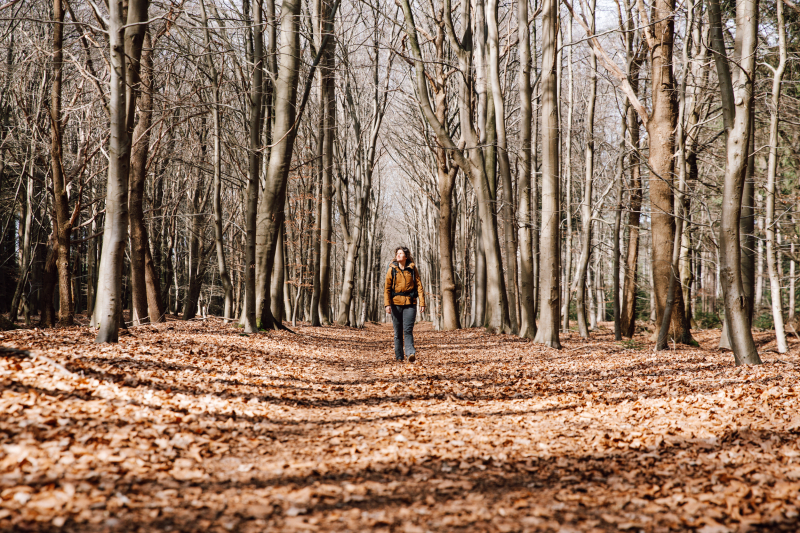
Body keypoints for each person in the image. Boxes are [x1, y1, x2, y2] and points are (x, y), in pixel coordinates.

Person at [384, 247, 425, 363]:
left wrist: (422, 302)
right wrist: (387, 304)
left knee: (408, 330)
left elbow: (419, 286)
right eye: (397, 253)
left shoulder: (412, 269)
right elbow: (387, 288)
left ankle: (410, 353)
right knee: (398, 332)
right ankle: (399, 356)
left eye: (401, 253)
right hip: (395, 304)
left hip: (410, 303)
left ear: (406, 256)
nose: (398, 255)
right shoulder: (391, 269)